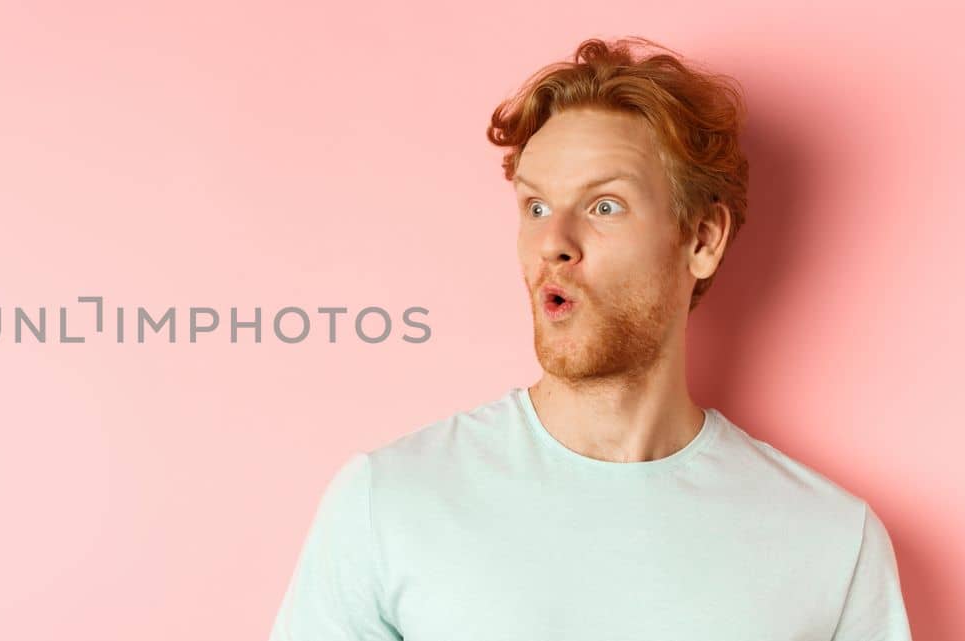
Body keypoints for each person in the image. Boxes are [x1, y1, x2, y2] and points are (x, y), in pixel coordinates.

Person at [267, 37, 912, 640]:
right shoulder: (390, 502)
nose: (554, 243)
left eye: (604, 206)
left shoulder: (829, 542)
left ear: (702, 239)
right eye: (536, 207)